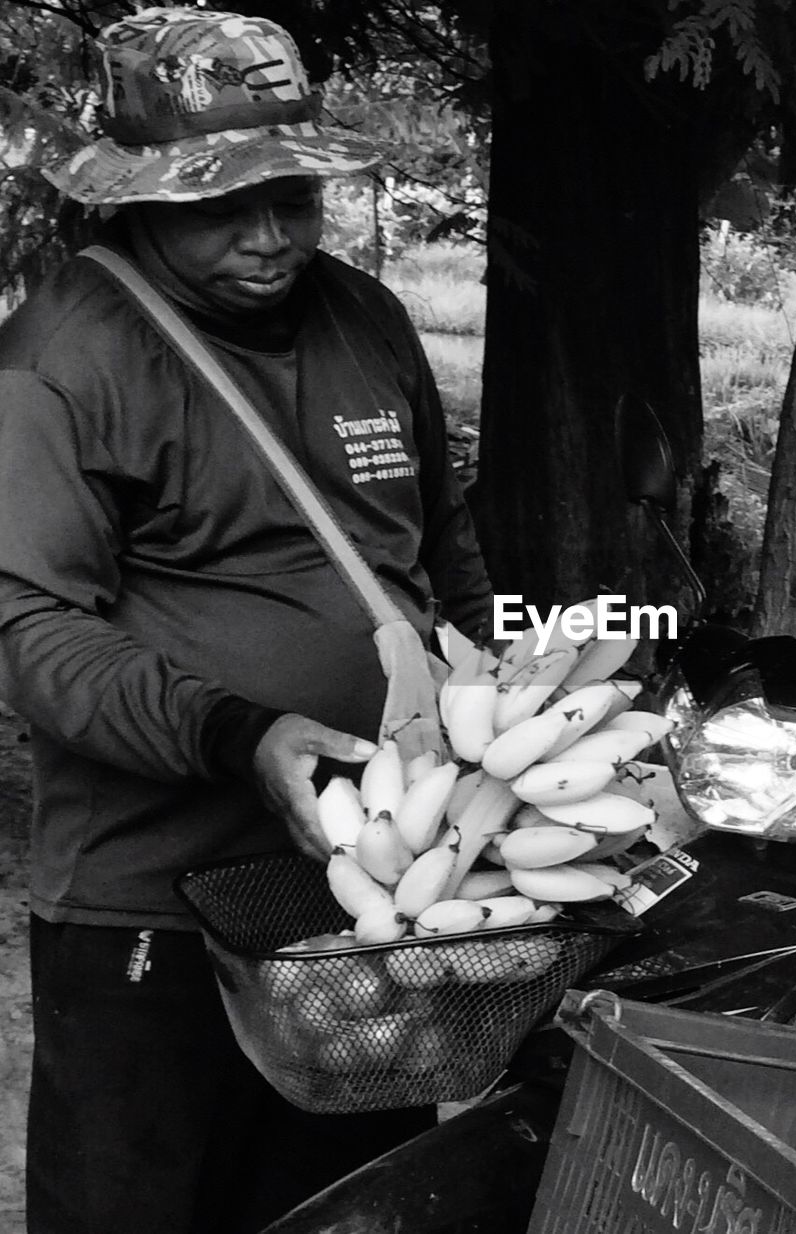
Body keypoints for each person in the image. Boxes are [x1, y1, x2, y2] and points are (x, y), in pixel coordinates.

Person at [0, 8, 494, 1232]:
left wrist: (501, 687)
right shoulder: (60, 359)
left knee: (341, 1204)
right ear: (135, 200)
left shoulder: (365, 320)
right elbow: (25, 624)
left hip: (372, 886)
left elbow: (437, 544)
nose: (270, 236)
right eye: (222, 206)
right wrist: (237, 733)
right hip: (151, 900)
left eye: (291, 196)